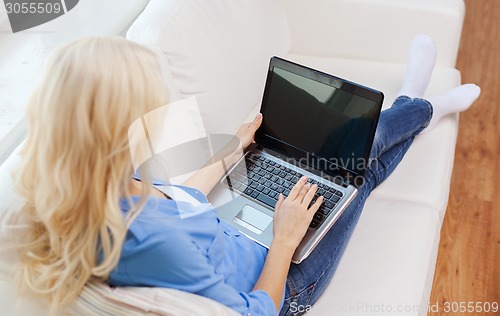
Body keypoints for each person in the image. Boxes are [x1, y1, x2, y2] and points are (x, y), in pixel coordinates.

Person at [12, 35, 480, 315]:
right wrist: (285, 237)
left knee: (342, 163)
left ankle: (415, 103)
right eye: (148, 110)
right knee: (354, 170)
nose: (157, 117)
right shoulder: (150, 245)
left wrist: (234, 148)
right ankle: (421, 105)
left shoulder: (87, 185)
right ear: (116, 131)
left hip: (237, 230)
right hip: (284, 281)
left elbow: (180, 203)